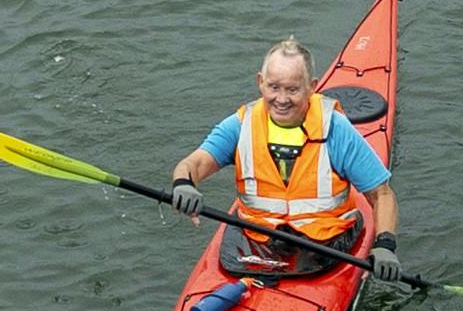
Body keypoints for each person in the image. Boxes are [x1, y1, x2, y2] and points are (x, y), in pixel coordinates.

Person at [166, 36, 402, 282]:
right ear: (260, 82)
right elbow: (192, 165)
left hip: (326, 242)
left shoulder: (336, 129)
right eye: (274, 87)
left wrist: (385, 244)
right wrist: (184, 184)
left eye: (292, 89)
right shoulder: (240, 124)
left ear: (312, 87)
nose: (281, 99)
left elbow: (382, 195)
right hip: (257, 237)